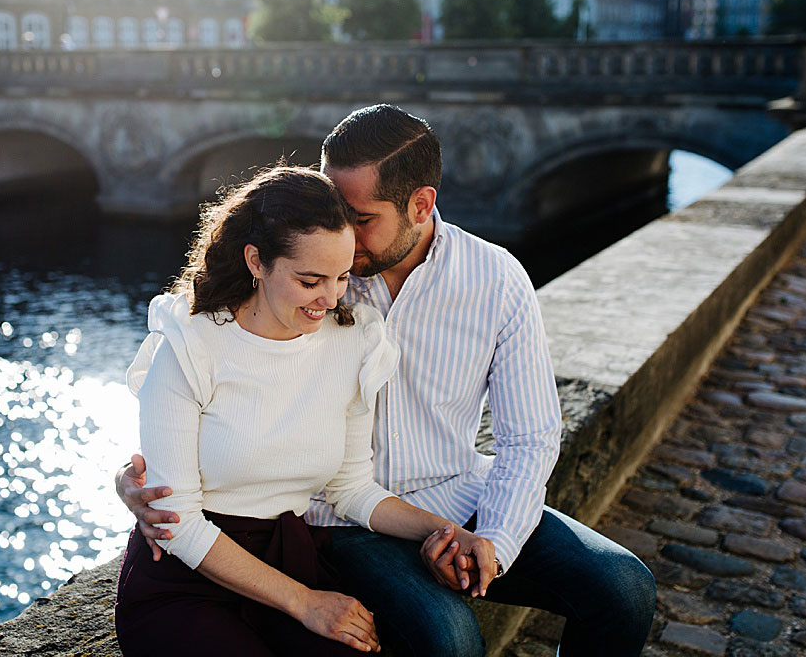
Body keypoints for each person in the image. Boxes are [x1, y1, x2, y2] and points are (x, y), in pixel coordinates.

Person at [122, 106, 657, 657]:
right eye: (333, 207)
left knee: (625, 590)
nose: (342, 239)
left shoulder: (495, 279)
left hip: (455, 495)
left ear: (420, 205)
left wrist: (491, 543)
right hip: (338, 524)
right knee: (449, 641)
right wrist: (136, 476)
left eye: (357, 217)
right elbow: (212, 367)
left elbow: (529, 437)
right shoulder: (315, 278)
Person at [114, 165, 498, 657]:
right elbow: (177, 518)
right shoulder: (189, 346)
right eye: (310, 280)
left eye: (340, 277)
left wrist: (449, 533)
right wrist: (306, 603)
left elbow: (351, 489)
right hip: (186, 581)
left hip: (291, 560)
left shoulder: (354, 341)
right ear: (257, 261)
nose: (331, 298)